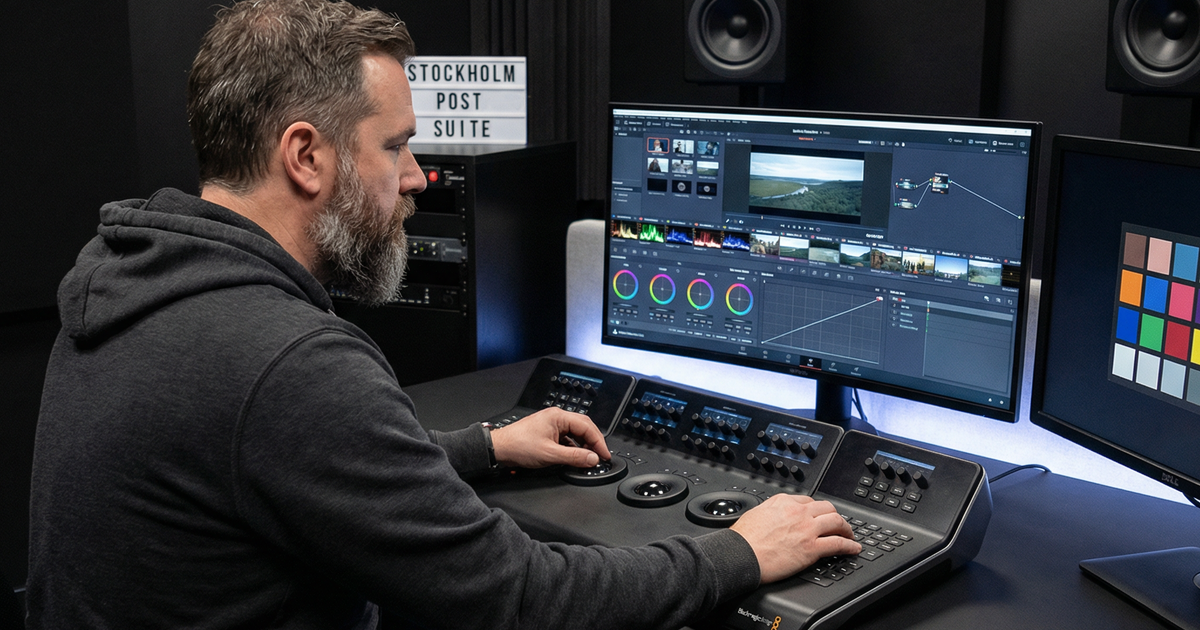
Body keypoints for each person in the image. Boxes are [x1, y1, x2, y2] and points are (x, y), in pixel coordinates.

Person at [25, 1, 860, 628]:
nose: (418, 176)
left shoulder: (133, 280)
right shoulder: (288, 363)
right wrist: (738, 552)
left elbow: (291, 464)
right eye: (394, 145)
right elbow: (521, 599)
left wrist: (484, 447)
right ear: (306, 155)